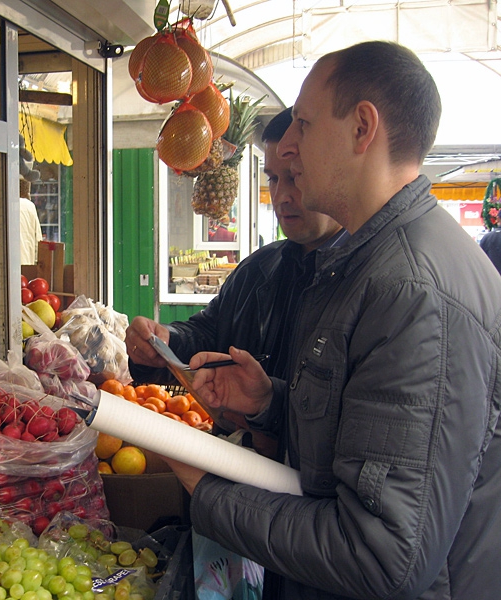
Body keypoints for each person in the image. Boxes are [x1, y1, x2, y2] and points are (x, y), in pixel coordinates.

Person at [165, 41, 501, 599]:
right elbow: (366, 445)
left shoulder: (411, 292)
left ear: (362, 128)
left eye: (303, 124)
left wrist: (209, 492)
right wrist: (273, 405)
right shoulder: (367, 263)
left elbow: (379, 553)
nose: (290, 148)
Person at [126, 107, 348, 457]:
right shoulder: (260, 269)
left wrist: (267, 408)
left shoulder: (363, 283)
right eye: (274, 179)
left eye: (296, 176)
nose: (282, 196)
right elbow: (210, 333)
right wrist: (166, 342)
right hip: (235, 477)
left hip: (311, 497)